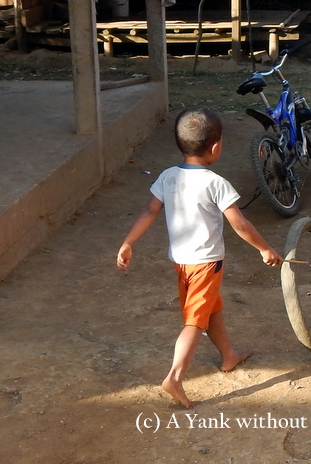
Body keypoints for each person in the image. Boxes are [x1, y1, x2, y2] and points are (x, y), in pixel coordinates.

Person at [116, 107, 283, 408]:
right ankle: (175, 377)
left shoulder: (167, 177)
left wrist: (129, 242)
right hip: (206, 263)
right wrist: (265, 249)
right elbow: (240, 224)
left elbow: (149, 211)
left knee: (209, 308)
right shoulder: (216, 183)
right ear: (216, 147)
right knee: (194, 321)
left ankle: (228, 356)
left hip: (180, 262)